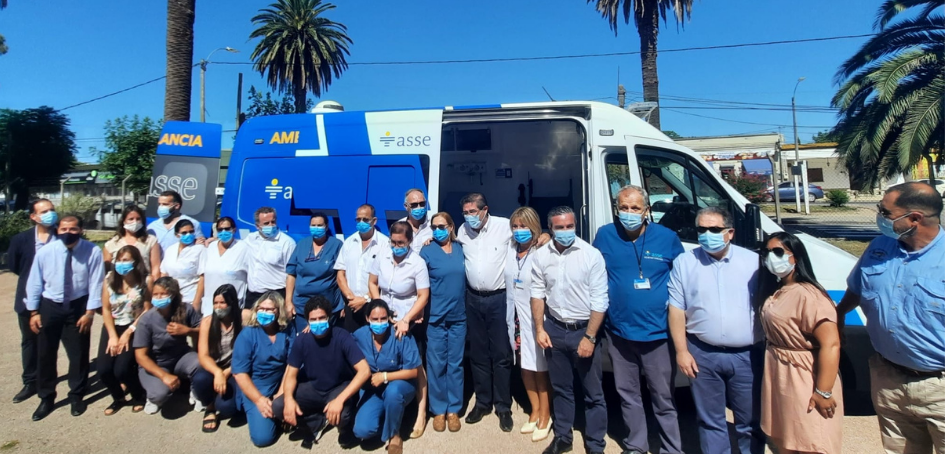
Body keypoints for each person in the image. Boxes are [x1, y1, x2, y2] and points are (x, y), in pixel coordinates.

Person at [836, 181, 944, 454]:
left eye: (885, 212)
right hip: (888, 379)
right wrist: (836, 317)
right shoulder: (879, 248)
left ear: (915, 218)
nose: (879, 217)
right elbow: (857, 290)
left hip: (939, 386)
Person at [592, 185, 685, 454]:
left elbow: (683, 280)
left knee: (663, 398)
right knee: (628, 395)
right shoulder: (605, 235)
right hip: (619, 333)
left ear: (647, 210)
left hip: (657, 335)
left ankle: (672, 449)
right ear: (616, 209)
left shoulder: (667, 238)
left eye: (635, 208)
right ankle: (636, 446)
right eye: (624, 207)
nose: (629, 213)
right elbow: (592, 269)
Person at [667, 206, 765, 454]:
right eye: (702, 229)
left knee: (750, 422)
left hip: (747, 356)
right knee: (711, 422)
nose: (707, 234)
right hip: (703, 354)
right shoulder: (684, 262)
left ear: (730, 232)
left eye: (714, 229)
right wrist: (681, 351)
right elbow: (677, 310)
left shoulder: (754, 262)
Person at [531, 206, 609, 454]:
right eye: (560, 227)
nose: (566, 231)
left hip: (583, 330)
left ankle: (595, 443)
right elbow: (537, 294)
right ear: (550, 228)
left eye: (570, 226)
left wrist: (590, 337)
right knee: (562, 388)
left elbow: (600, 301)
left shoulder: (591, 255)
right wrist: (539, 329)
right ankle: (563, 437)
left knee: (593, 392)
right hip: (554, 329)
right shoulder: (541, 256)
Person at [758, 232, 843, 454]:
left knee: (810, 438)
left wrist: (823, 391)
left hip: (803, 373)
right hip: (779, 369)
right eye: (767, 252)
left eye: (778, 252)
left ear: (795, 257)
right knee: (788, 439)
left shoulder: (809, 295)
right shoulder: (776, 290)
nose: (771, 257)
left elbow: (831, 344)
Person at [25, 215, 103, 421]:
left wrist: (89, 312)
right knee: (46, 354)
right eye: (64, 229)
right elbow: (35, 282)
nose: (68, 233)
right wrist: (33, 312)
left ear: (81, 230)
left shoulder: (92, 251)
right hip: (50, 306)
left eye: (73, 229)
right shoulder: (45, 252)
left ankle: (77, 394)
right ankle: (46, 397)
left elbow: (97, 282)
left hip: (78, 306)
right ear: (57, 230)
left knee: (78, 353)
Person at [272, 296, 371, 449]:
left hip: (339, 386)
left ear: (329, 318)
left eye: (322, 318)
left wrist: (340, 399)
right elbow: (291, 374)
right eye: (314, 319)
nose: (318, 322)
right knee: (279, 406)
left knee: (342, 414)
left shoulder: (342, 336)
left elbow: (364, 371)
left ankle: (345, 430)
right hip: (314, 387)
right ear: (307, 321)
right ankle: (314, 423)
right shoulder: (302, 340)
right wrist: (289, 399)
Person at [455, 192, 516, 431]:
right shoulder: (462, 231)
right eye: (466, 212)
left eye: (473, 211)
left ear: (485, 209)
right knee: (478, 353)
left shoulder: (504, 226)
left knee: (501, 354)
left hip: (498, 298)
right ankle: (482, 403)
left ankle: (503, 406)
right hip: (473, 299)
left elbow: (528, 234)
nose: (470, 216)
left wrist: (542, 235)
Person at [369, 220, 431, 438]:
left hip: (409, 319)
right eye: (393, 242)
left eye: (401, 243)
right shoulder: (382, 256)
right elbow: (372, 282)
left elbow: (423, 295)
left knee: (417, 366)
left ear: (409, 241)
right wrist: (379, 307)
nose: (396, 246)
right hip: (384, 319)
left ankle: (421, 413)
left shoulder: (417, 263)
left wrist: (406, 319)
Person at [505, 207, 552, 441]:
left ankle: (546, 414)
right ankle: (534, 410)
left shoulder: (542, 250)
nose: (518, 231)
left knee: (540, 368)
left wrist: (548, 235)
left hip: (536, 318)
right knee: (524, 366)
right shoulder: (510, 249)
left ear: (534, 227)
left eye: (523, 226)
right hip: (515, 318)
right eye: (515, 226)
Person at [352, 300, 422, 454]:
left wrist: (385, 376)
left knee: (393, 392)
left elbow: (414, 371)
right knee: (362, 431)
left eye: (383, 319)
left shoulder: (400, 334)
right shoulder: (360, 335)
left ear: (389, 318)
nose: (379, 323)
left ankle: (394, 435)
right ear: (367, 318)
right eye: (375, 319)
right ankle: (388, 417)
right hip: (373, 390)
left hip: (400, 385)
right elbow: (339, 341)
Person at [419, 212, 466, 433]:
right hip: (435, 318)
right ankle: (438, 410)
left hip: (459, 317)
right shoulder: (426, 251)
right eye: (434, 227)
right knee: (436, 364)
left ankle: (453, 409)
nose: (438, 230)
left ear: (451, 226)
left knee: (455, 364)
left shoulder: (461, 248)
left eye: (442, 226)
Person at [7, 198, 57, 404]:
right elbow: (14, 266)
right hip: (28, 300)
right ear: (33, 217)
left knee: (51, 344)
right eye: (44, 211)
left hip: (54, 301)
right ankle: (30, 382)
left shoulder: (63, 237)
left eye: (52, 210)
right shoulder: (21, 240)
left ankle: (49, 383)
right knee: (30, 342)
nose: (50, 214)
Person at [232, 291, 296, 447]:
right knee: (263, 439)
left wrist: (282, 393)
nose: (265, 313)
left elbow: (292, 363)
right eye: (262, 309)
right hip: (257, 388)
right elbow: (240, 373)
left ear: (278, 311)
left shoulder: (287, 330)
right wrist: (259, 400)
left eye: (270, 309)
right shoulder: (248, 334)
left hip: (282, 381)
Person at [133, 277, 203, 415]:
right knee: (159, 394)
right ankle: (152, 397)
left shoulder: (185, 309)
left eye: (163, 294)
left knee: (201, 363)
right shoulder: (146, 320)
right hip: (156, 363)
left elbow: (204, 330)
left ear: (173, 294)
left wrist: (188, 331)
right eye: (155, 294)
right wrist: (164, 376)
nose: (159, 297)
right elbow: (140, 357)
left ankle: (196, 391)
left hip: (181, 356)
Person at [97, 245, 150, 415]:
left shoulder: (144, 282)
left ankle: (138, 395)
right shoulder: (109, 280)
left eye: (126, 260)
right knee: (104, 370)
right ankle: (118, 397)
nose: (121, 264)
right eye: (118, 260)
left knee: (123, 369)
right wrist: (112, 335)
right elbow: (105, 309)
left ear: (135, 261)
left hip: (134, 327)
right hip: (113, 327)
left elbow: (147, 309)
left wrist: (129, 331)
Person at [194, 284, 244, 433]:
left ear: (232, 303)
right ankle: (209, 407)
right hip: (214, 367)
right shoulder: (207, 322)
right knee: (199, 379)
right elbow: (203, 355)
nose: (218, 306)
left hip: (235, 368)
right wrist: (217, 373)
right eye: (215, 303)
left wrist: (226, 373)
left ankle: (222, 401)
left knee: (227, 408)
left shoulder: (242, 319)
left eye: (222, 303)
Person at [336, 204, 390, 332]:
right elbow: (340, 274)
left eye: (365, 219)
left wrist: (365, 299)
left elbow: (385, 277)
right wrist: (351, 297)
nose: (361, 223)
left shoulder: (384, 244)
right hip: (352, 305)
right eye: (358, 219)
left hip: (374, 306)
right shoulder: (349, 242)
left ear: (374, 221)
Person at [287, 212, 344, 332]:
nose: (316, 228)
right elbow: (291, 274)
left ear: (327, 227)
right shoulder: (302, 244)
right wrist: (288, 301)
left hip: (328, 307)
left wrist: (343, 304)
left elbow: (342, 276)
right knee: (304, 340)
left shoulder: (336, 245)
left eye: (319, 225)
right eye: (313, 225)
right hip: (301, 306)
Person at [244, 206, 296, 311]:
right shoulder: (250, 239)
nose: (271, 225)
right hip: (252, 295)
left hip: (276, 295)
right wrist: (213, 239)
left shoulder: (287, 243)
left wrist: (288, 301)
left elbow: (292, 274)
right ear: (257, 226)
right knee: (248, 325)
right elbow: (234, 245)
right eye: (266, 223)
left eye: (273, 222)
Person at [201, 216, 249, 319]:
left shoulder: (243, 247)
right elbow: (203, 275)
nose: (223, 232)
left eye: (227, 229)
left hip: (232, 305)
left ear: (234, 230)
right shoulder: (210, 247)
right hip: (210, 305)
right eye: (220, 229)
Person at [103, 204, 161, 283]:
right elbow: (106, 269)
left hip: (143, 285)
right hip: (118, 286)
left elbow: (155, 267)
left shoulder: (150, 241)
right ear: (124, 221)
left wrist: (153, 287)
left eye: (138, 219)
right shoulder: (111, 244)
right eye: (131, 219)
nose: (135, 222)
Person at [160, 219, 206, 310]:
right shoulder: (170, 250)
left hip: (190, 298)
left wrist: (196, 302)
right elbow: (164, 273)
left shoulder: (200, 249)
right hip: (171, 298)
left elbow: (203, 277)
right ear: (177, 234)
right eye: (184, 233)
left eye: (191, 231)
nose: (188, 235)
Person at [400, 188, 432, 253]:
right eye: (414, 205)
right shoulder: (399, 226)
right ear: (406, 206)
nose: (419, 207)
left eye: (422, 204)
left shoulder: (433, 226)